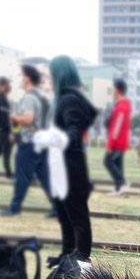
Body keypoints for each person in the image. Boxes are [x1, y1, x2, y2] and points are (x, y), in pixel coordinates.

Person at [48, 55, 94, 268]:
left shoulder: (69, 100)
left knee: (76, 212)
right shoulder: (68, 98)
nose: (50, 80)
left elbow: (73, 130)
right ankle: (67, 253)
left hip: (70, 165)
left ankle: (81, 257)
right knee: (65, 213)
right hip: (63, 164)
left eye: (51, 75)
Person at [0, 65, 50, 217]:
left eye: (22, 76)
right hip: (40, 142)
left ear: (28, 78)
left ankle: (15, 208)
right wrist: (16, 132)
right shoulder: (40, 97)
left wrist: (14, 117)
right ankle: (58, 208)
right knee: (45, 177)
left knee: (21, 176)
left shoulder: (29, 97)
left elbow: (28, 119)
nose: (21, 79)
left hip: (29, 142)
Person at [104, 78, 131, 196]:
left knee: (108, 161)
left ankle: (122, 183)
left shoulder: (121, 107)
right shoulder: (122, 105)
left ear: (117, 90)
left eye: (114, 87)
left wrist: (110, 144)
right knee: (118, 165)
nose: (113, 90)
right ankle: (119, 189)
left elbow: (116, 128)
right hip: (121, 141)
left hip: (117, 142)